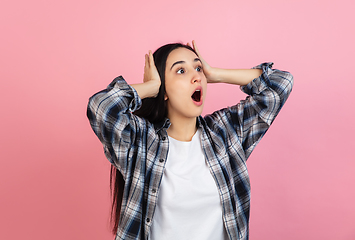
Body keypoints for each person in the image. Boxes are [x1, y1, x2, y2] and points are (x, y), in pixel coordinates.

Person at [87, 41, 293, 240]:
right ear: (163, 90)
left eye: (198, 68)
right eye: (181, 71)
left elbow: (280, 83)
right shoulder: (141, 141)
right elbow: (101, 107)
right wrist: (150, 87)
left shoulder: (225, 133)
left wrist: (215, 73)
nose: (196, 76)